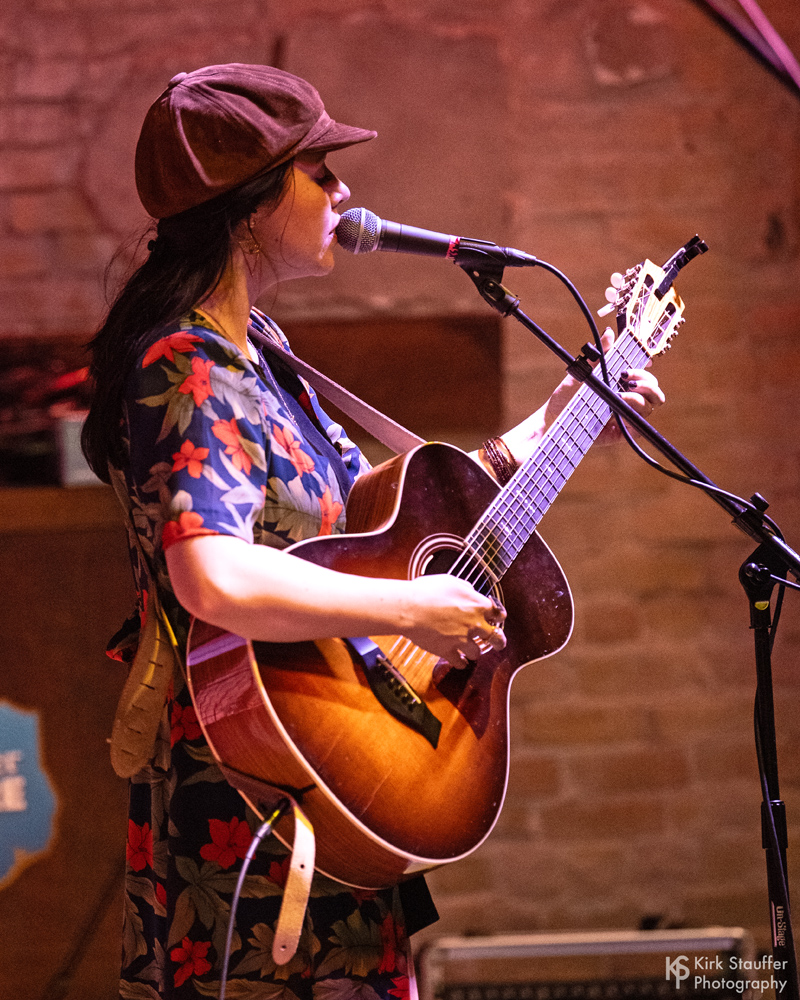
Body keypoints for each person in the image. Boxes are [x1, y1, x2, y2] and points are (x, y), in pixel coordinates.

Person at [82, 64, 665, 1000]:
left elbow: (394, 522)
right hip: (243, 804)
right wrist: (409, 610)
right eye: (320, 173)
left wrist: (569, 414)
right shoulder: (187, 364)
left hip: (332, 775)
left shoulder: (264, 355)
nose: (344, 191)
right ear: (249, 207)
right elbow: (212, 578)